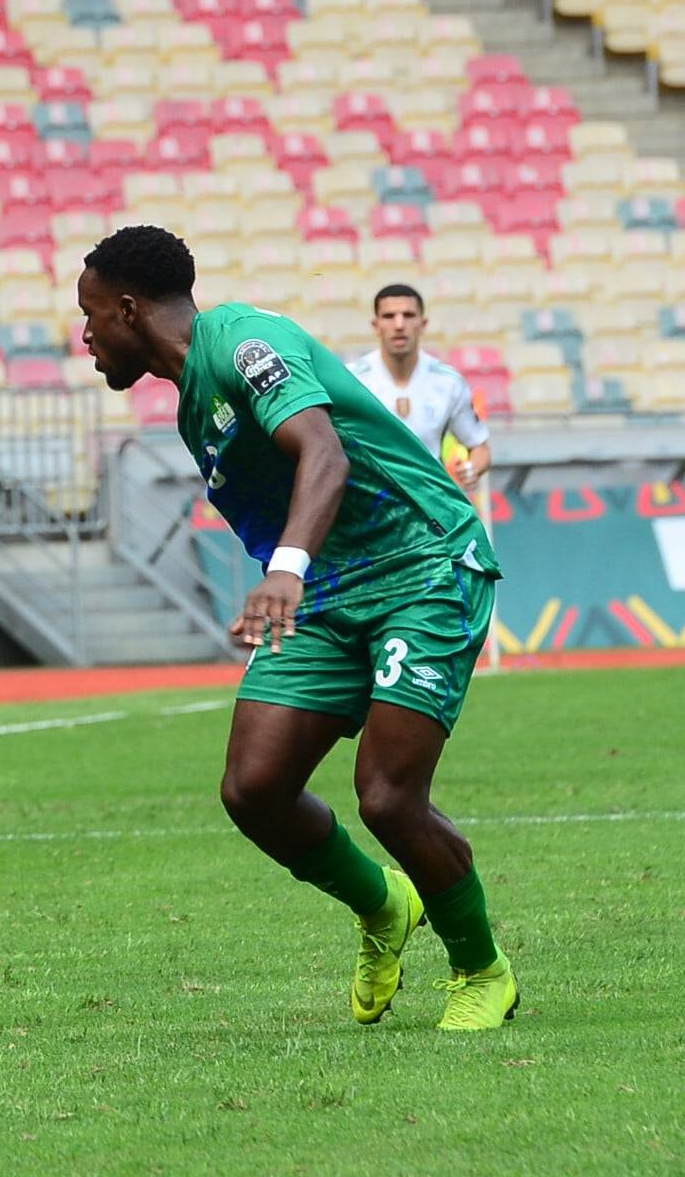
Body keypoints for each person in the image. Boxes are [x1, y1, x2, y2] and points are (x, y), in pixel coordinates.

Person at [77, 225, 516, 1031]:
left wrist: (284, 571)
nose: (86, 335)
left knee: (387, 797)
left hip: (422, 565)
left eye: (92, 315)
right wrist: (293, 578)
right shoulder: (190, 409)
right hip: (328, 591)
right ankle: (384, 904)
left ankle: (479, 966)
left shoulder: (246, 341)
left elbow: (324, 453)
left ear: (130, 309)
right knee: (254, 788)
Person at [347, 285, 493, 489]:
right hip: (372, 504)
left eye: (408, 315)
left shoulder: (448, 382)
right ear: (375, 325)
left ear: (423, 324)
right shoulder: (352, 380)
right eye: (389, 316)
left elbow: (479, 447)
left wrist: (472, 468)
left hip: (429, 501)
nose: (399, 325)